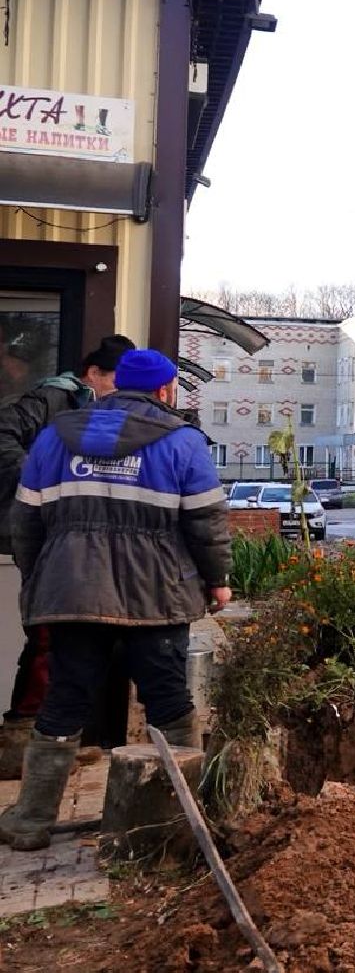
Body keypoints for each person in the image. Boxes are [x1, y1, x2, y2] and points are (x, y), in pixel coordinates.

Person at [0, 349, 230, 851]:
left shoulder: (55, 437)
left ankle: (29, 822)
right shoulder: (183, 441)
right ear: (166, 390)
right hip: (157, 595)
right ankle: (177, 819)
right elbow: (207, 523)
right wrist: (218, 580)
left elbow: (25, 522)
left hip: (73, 590)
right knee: (168, 703)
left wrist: (41, 574)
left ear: (108, 384)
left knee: (64, 701)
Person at [0, 333, 135, 779]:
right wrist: (41, 480)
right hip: (40, 531)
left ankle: (51, 743)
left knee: (66, 640)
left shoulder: (101, 410)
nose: (119, 390)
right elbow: (2, 435)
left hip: (71, 536)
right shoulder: (54, 397)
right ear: (93, 373)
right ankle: (19, 745)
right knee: (47, 635)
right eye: (114, 379)